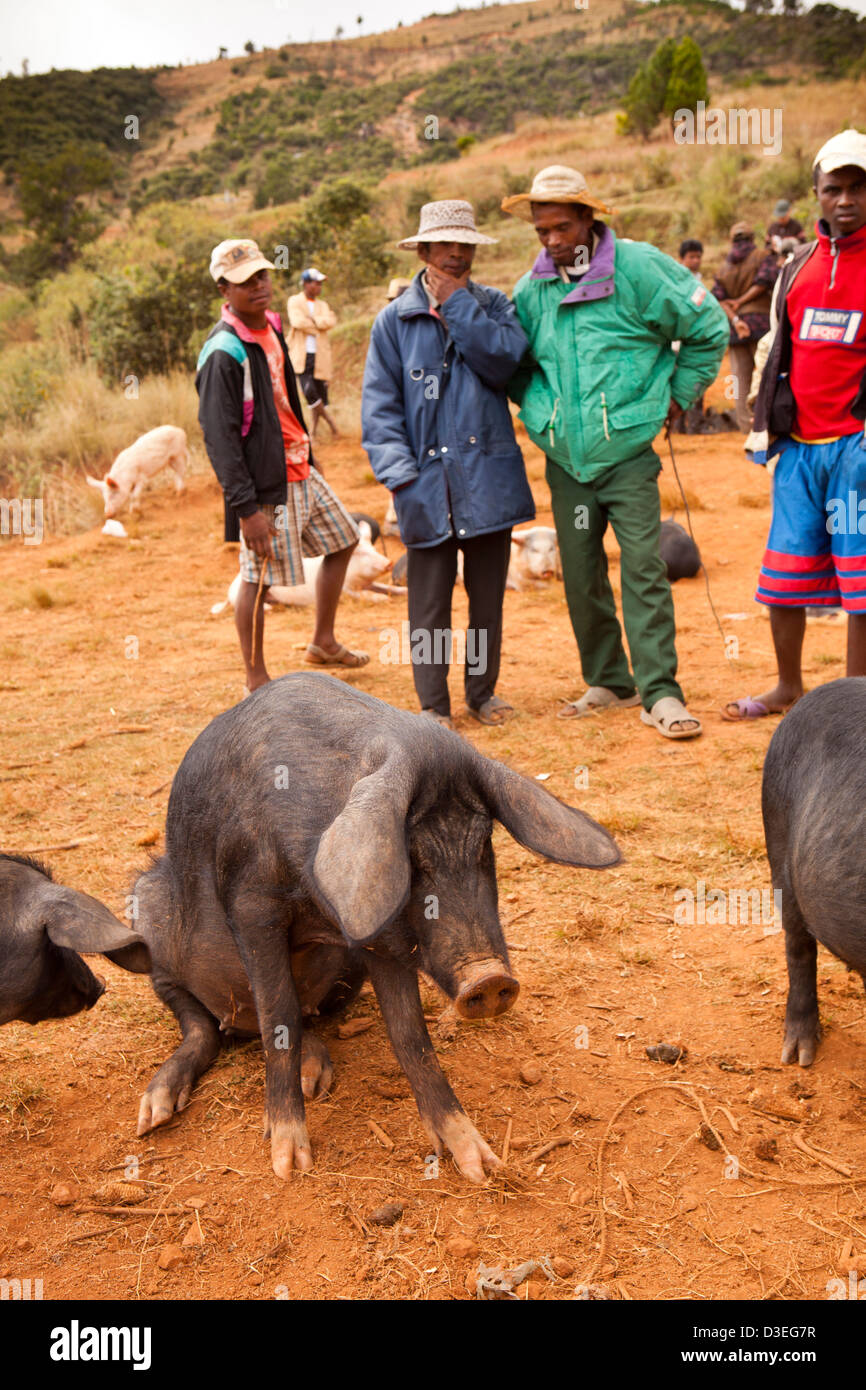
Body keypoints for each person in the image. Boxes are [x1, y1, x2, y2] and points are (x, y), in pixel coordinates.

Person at [502, 165, 728, 739]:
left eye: (560, 228)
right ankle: (610, 680)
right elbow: (519, 366)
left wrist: (671, 399)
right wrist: (541, 412)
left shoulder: (639, 268)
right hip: (567, 462)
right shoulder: (532, 290)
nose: (551, 241)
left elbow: (708, 328)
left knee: (645, 567)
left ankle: (660, 692)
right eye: (540, 232)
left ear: (587, 218)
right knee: (580, 573)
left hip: (626, 453)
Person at [361, 199, 535, 728]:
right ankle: (433, 707)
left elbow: (504, 362)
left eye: (465, 246)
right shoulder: (394, 322)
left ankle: (482, 696)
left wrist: (459, 306)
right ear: (424, 249)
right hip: (424, 484)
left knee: (487, 599)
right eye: (445, 245)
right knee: (429, 605)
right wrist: (402, 478)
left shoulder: (496, 306)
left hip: (488, 479)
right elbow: (380, 407)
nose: (456, 254)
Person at [724, 129, 866, 721]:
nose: (846, 199)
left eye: (859, 187)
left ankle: (858, 699)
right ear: (816, 194)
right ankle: (789, 687)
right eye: (834, 188)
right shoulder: (798, 266)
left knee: (861, 574)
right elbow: (775, 349)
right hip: (801, 448)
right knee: (784, 569)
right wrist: (763, 420)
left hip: (859, 447)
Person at [196, 239, 367, 694]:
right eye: (243, 281)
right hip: (264, 486)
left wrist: (311, 456)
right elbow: (220, 439)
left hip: (298, 467)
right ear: (223, 290)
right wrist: (246, 509)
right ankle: (256, 678)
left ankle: (323, 641)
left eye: (262, 275)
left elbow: (285, 402)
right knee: (257, 576)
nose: (257, 286)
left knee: (346, 539)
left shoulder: (271, 329)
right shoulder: (222, 353)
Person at [711, 222, 780, 432]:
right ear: (752, 238)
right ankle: (766, 424)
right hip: (761, 324)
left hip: (735, 329)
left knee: (739, 379)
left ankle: (745, 426)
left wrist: (736, 319)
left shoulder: (723, 267)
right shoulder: (763, 256)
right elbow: (766, 281)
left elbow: (719, 299)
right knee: (768, 373)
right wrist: (742, 302)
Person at [287, 268, 339, 438]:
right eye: (316, 283)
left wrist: (313, 321)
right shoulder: (294, 301)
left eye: (320, 283)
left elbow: (330, 321)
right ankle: (332, 424)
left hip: (320, 355)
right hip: (302, 355)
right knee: (309, 391)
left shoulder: (322, 305)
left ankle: (313, 432)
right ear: (306, 284)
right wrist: (319, 326)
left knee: (318, 393)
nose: (319, 287)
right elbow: (297, 321)